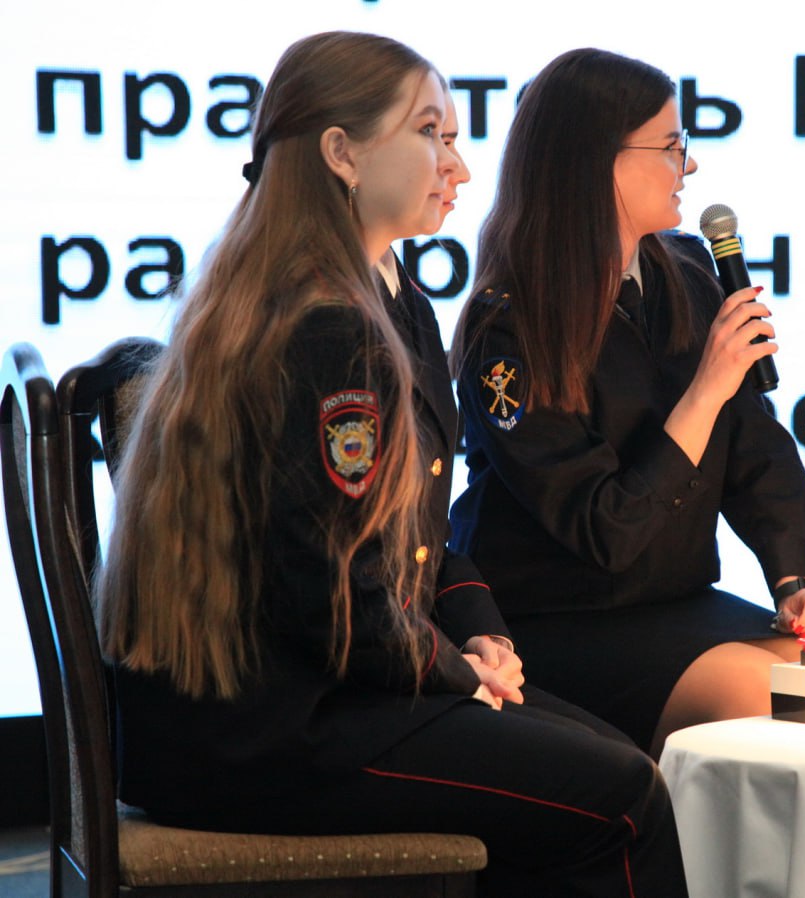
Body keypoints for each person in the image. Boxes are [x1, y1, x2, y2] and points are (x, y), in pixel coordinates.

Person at [95, 31, 689, 896]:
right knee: (622, 794)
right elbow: (332, 591)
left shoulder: (390, 294)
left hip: (323, 687)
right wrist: (456, 673)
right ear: (341, 153)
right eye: (430, 133)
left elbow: (412, 533)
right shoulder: (325, 321)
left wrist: (481, 632)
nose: (460, 167)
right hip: (272, 728)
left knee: (609, 758)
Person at [449, 47, 805, 757]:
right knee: (766, 698)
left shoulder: (686, 270)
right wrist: (706, 389)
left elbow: (754, 447)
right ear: (595, 161)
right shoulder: (509, 326)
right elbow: (605, 532)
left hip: (673, 601)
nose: (687, 166)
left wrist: (793, 580)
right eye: (669, 147)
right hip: (558, 617)